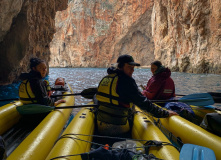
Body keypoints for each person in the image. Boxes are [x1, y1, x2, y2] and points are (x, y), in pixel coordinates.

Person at [95, 54, 177, 136]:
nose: (132, 70)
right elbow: (144, 103)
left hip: (100, 126)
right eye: (129, 67)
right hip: (119, 128)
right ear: (120, 66)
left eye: (133, 68)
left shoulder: (106, 78)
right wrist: (165, 113)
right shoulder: (127, 81)